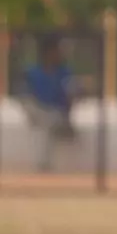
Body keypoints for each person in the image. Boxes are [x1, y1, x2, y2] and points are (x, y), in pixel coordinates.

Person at [21, 38, 78, 173]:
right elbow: (24, 96)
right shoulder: (33, 72)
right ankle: (44, 164)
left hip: (54, 113)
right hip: (36, 110)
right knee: (42, 116)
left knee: (51, 122)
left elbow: (71, 95)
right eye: (56, 51)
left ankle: (44, 165)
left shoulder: (64, 73)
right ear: (48, 52)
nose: (58, 54)